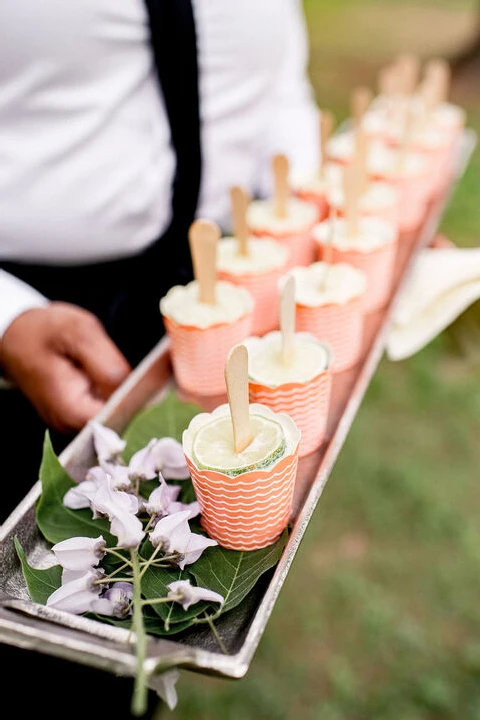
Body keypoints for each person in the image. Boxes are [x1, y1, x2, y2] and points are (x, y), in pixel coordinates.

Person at [0, 1, 320, 716]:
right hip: (32, 302)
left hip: (224, 270)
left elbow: (276, 87)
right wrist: (3, 316)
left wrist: (318, 213)